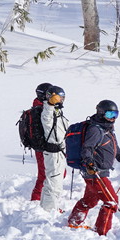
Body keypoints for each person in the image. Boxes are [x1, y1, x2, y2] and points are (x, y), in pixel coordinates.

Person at [67, 99, 120, 235]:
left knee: (89, 200)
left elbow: (116, 150)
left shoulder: (108, 130)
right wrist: (89, 163)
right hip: (96, 173)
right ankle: (102, 232)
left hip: (98, 172)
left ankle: (74, 222)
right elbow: (87, 148)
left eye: (115, 115)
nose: (113, 119)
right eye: (110, 115)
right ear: (100, 113)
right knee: (111, 201)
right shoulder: (95, 130)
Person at [36, 84, 69, 212]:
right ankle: (50, 211)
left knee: (51, 181)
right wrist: (50, 103)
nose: (61, 100)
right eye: (59, 98)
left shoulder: (57, 111)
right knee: (54, 185)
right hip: (53, 152)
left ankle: (45, 208)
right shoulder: (47, 111)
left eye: (63, 98)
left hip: (59, 151)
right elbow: (47, 117)